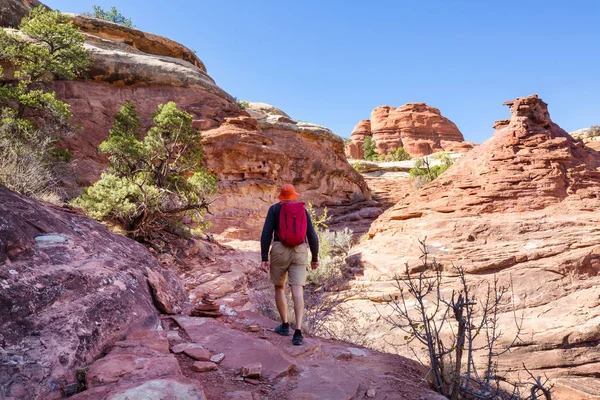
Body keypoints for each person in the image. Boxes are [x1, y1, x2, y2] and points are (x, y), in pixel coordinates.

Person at [260, 184, 319, 346]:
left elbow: (266, 234)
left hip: (279, 249)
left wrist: (264, 256)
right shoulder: (302, 210)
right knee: (297, 288)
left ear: (281, 196)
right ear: (294, 196)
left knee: (279, 287)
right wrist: (315, 257)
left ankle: (285, 325)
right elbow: (312, 235)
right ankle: (298, 332)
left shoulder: (274, 210)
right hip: (299, 251)